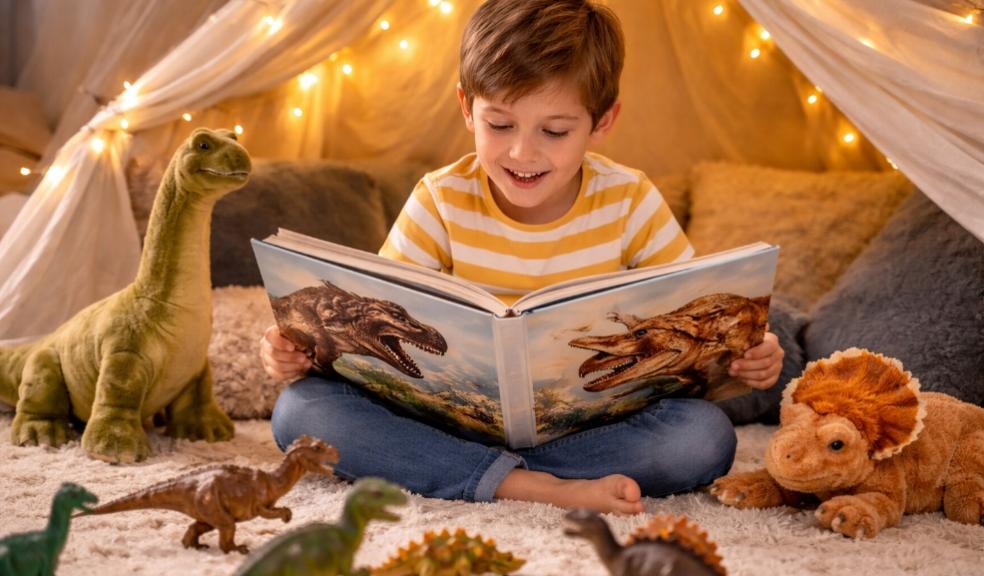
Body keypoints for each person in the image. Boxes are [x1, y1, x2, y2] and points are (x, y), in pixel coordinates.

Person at [261, 0, 784, 515]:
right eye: (500, 125)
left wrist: (749, 356)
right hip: (445, 421)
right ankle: (537, 487)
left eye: (554, 131)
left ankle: (470, 472)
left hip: (591, 430)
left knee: (703, 438)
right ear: (467, 108)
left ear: (602, 122)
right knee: (300, 413)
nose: (522, 154)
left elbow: (689, 321)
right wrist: (297, 353)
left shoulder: (631, 201)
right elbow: (381, 317)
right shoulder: (439, 199)